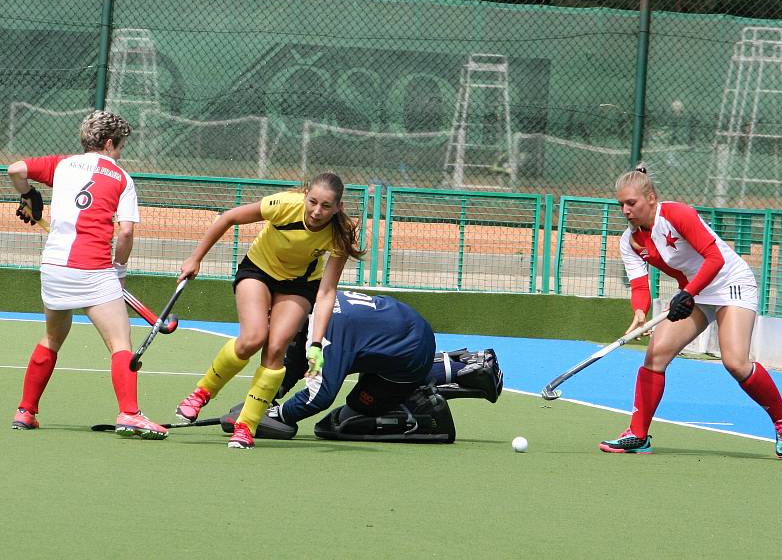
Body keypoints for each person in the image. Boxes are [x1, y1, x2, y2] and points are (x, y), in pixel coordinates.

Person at [600, 165, 782, 458]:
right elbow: (639, 285)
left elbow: (715, 257)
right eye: (621, 205)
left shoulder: (678, 214)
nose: (625, 210)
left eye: (631, 203)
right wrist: (640, 313)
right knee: (656, 355)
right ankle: (638, 434)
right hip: (695, 292)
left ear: (650, 198)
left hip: (731, 283)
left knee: (735, 362)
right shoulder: (630, 240)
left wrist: (687, 294)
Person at [7, 110, 167, 439]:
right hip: (93, 269)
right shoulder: (122, 178)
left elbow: (15, 169)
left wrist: (28, 196)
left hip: (53, 268)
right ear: (109, 143)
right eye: (120, 146)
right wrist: (118, 272)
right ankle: (130, 414)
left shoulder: (62, 165)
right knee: (121, 343)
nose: (121, 153)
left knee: (52, 338)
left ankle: (25, 411)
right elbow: (124, 234)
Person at [174, 172, 363, 449]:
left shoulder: (339, 233)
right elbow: (228, 218)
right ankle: (202, 393)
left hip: (299, 285)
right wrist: (195, 258)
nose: (316, 211)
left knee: (276, 350)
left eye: (325, 206)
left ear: (338, 207)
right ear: (305, 196)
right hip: (258, 271)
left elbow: (325, 293)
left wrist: (316, 344)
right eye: (312, 202)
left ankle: (246, 426)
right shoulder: (284, 204)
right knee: (253, 338)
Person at [218, 290, 503, 443]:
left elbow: (322, 395)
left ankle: (456, 376)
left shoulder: (327, 331)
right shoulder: (311, 307)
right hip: (405, 329)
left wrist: (281, 414)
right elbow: (294, 363)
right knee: (380, 365)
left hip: (409, 349)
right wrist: (263, 398)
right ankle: (465, 365)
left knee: (356, 410)